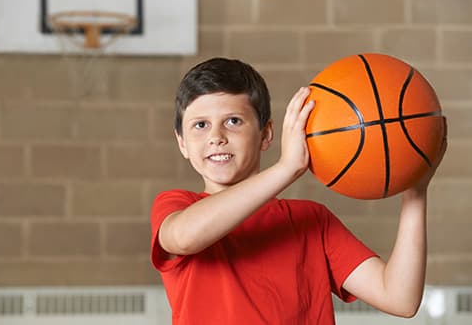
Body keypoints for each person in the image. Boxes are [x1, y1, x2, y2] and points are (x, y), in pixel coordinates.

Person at [150, 57, 446, 324]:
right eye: (200, 125)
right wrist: (286, 168)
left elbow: (400, 299)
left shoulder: (312, 221)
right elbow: (185, 238)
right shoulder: (177, 206)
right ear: (182, 144)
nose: (216, 137)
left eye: (233, 121)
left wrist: (415, 191)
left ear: (266, 134)